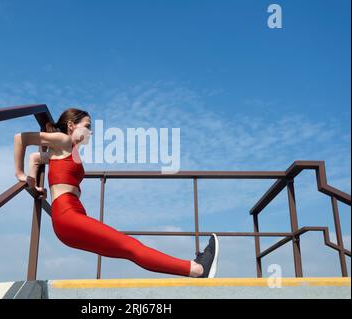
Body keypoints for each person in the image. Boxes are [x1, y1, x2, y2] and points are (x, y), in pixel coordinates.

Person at [14, 107, 219, 278]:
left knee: (128, 251)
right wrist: (20, 174)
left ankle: (194, 270)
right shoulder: (63, 140)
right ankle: (196, 268)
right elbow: (20, 138)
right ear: (70, 126)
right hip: (68, 215)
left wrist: (35, 183)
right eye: (87, 126)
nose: (91, 132)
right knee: (130, 246)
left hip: (72, 217)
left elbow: (35, 157)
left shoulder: (65, 150)